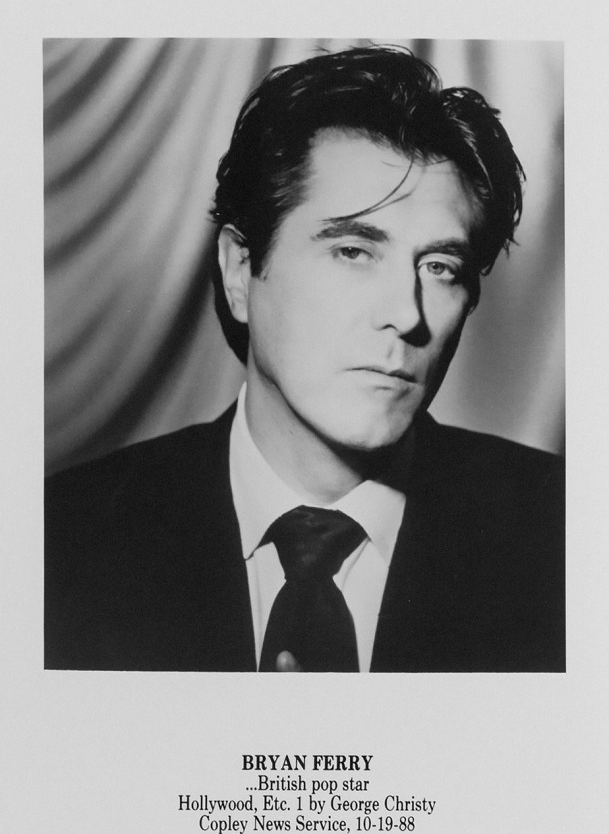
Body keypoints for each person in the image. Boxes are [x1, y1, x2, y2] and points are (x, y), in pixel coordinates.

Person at [45, 45, 564, 673]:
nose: (406, 313)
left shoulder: (563, 536)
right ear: (240, 272)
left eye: (439, 267)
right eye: (353, 251)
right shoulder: (61, 540)